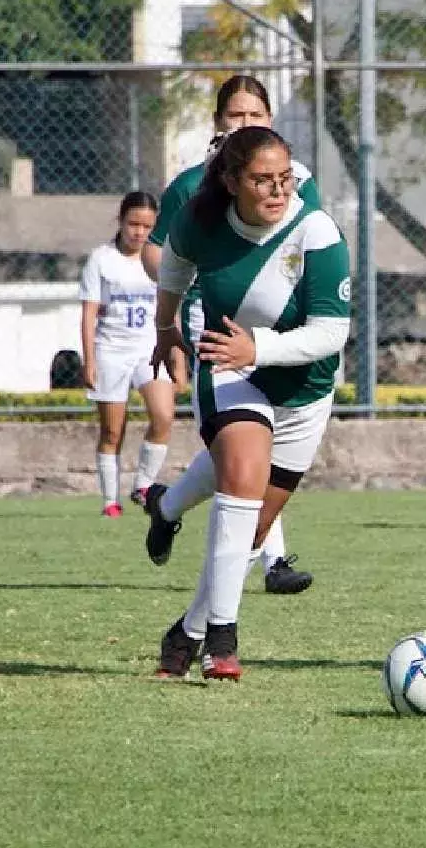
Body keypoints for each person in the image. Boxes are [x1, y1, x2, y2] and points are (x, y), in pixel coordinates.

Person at [147, 126, 351, 680]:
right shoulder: (201, 218)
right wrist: (167, 327)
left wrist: (258, 345)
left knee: (252, 533)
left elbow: (332, 333)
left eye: (285, 178)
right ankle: (223, 638)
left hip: (305, 393)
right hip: (229, 369)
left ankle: (185, 629)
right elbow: (174, 264)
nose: (278, 190)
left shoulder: (316, 231)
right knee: (241, 470)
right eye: (262, 180)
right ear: (232, 181)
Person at [138, 74, 320, 594]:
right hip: (215, 329)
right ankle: (272, 561)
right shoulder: (192, 185)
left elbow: (318, 241)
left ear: (271, 122)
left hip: (279, 332)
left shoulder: (297, 181)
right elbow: (158, 251)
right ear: (218, 123)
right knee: (246, 443)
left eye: (254, 116)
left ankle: (168, 505)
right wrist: (179, 286)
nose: (244, 124)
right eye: (234, 116)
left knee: (254, 445)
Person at [78, 191, 175, 518]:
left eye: (147, 226)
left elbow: (169, 306)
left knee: (163, 416)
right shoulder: (101, 259)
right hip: (111, 351)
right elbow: (89, 313)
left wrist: (176, 355)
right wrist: (89, 360)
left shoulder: (160, 258)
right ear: (120, 222)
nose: (139, 232)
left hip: (149, 350)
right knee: (112, 431)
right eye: (133, 224)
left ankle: (143, 485)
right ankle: (110, 501)